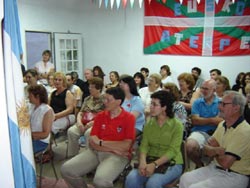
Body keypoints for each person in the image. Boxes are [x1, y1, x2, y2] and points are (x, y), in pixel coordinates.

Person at [61, 87, 136, 188]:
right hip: (96, 152)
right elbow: (92, 142)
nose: (105, 102)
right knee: (66, 170)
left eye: (108, 100)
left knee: (101, 181)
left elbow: (126, 146)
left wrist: (100, 142)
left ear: (118, 102)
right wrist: (112, 147)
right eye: (104, 98)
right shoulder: (101, 116)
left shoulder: (129, 118)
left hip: (117, 156)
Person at [179, 91, 250, 188]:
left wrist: (213, 150)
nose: (219, 107)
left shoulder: (244, 131)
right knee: (185, 178)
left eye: (223, 104)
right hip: (215, 168)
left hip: (235, 175)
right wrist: (217, 150)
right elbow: (205, 149)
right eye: (220, 103)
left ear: (236, 108)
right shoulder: (222, 124)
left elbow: (226, 163)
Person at [125, 90, 183, 188]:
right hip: (150, 159)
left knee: (153, 183)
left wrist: (154, 165)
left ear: (164, 107)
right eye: (151, 103)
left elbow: (173, 151)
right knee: (131, 178)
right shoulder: (149, 124)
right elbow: (144, 145)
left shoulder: (177, 125)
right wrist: (143, 161)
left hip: (171, 163)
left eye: (154, 104)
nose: (150, 107)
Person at [186, 79, 223, 168]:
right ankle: (200, 165)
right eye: (202, 88)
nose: (203, 91)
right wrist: (213, 119)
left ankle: (209, 168)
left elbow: (222, 121)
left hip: (217, 133)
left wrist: (202, 120)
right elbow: (195, 121)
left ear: (214, 90)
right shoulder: (197, 102)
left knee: (216, 150)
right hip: (199, 131)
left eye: (206, 89)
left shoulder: (221, 102)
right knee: (190, 146)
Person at [67, 77, 105, 157]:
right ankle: (73, 156)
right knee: (71, 131)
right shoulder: (87, 99)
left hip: (97, 123)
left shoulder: (105, 100)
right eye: (89, 86)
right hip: (84, 122)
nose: (89, 89)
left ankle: (88, 157)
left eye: (92, 87)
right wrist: (79, 122)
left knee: (89, 133)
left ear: (98, 89)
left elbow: (106, 116)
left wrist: (92, 123)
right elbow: (81, 112)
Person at [28, 85, 54, 153]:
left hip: (41, 141)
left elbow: (45, 134)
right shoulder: (31, 107)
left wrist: (28, 135)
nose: (28, 97)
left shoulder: (47, 110)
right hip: (30, 137)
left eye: (30, 96)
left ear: (37, 96)